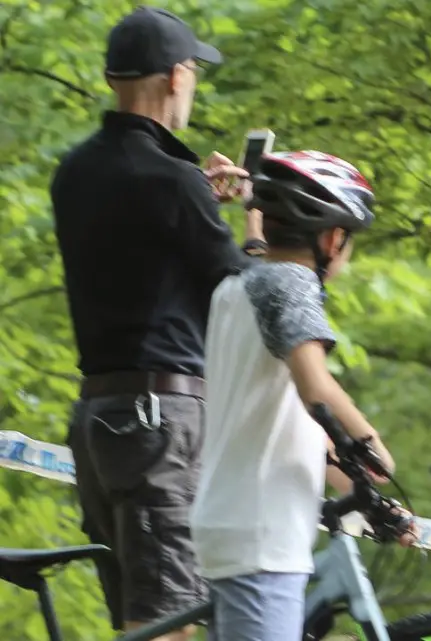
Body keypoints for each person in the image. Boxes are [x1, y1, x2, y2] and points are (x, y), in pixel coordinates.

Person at [49, 6, 263, 638]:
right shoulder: (172, 184)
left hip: (96, 424)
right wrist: (254, 224)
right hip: (159, 425)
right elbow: (245, 295)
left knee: (135, 623)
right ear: (176, 77)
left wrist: (194, 190)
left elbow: (135, 240)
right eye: (194, 71)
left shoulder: (75, 173)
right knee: (166, 622)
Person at [188, 150, 418, 640]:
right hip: (261, 536)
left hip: (240, 523)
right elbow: (316, 386)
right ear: (332, 238)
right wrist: (375, 448)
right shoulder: (289, 284)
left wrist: (364, 490)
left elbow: (288, 419)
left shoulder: (238, 286)